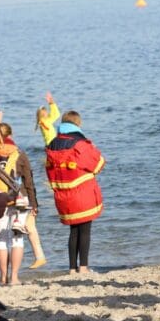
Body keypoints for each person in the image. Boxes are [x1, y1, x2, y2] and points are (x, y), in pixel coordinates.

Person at [45, 110, 106, 274]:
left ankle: (72, 268)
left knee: (73, 232)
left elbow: (49, 171)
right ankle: (84, 267)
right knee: (85, 231)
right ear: (77, 124)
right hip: (82, 192)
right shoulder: (80, 144)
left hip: (63, 195)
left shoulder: (52, 144)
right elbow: (99, 163)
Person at [0, 123, 39, 285]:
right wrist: (34, 204)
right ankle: (14, 277)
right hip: (20, 200)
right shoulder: (19, 154)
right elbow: (29, 181)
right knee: (17, 239)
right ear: (11, 135)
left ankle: (3, 277)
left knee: (1, 239)